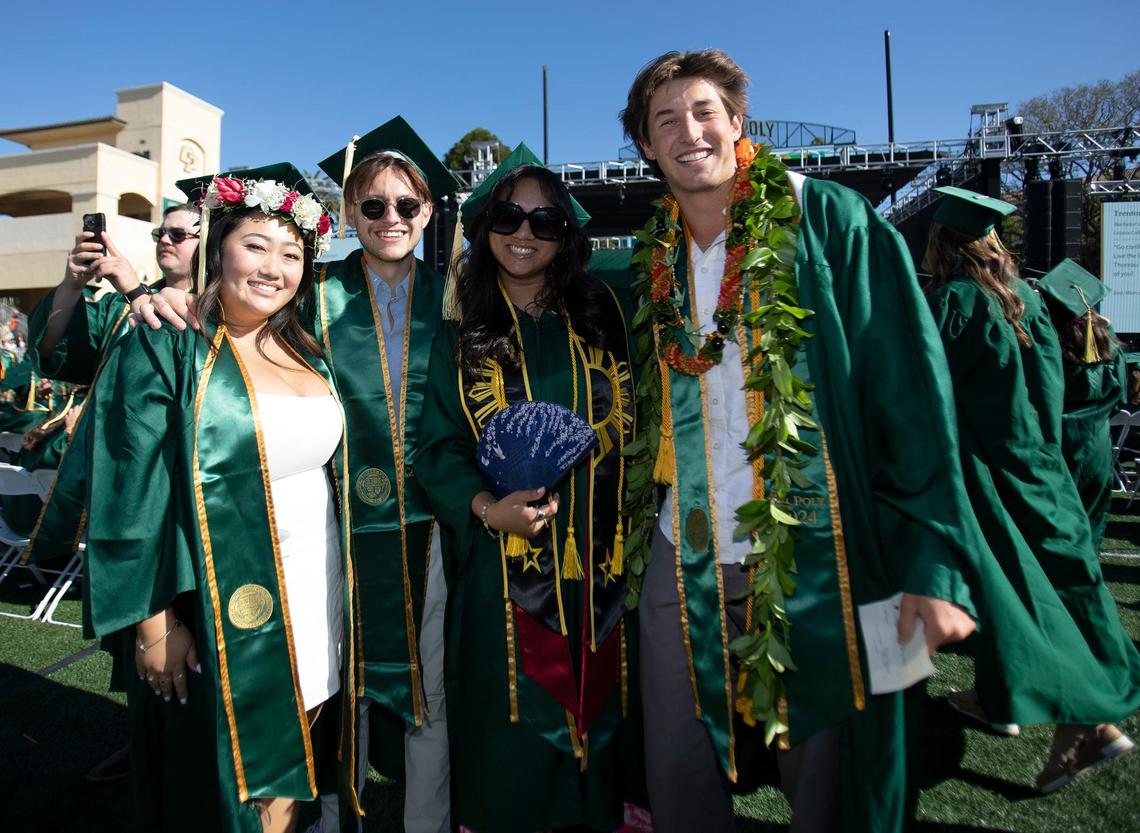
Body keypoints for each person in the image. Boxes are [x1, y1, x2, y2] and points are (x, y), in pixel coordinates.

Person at [618, 50, 979, 832]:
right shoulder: (654, 259)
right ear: (645, 146)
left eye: (705, 111)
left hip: (833, 545)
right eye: (665, 120)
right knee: (676, 762)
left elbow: (911, 395)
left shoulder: (829, 220)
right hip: (687, 545)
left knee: (841, 768)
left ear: (738, 121)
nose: (689, 132)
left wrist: (936, 565)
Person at [141, 117, 460, 833]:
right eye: (372, 205)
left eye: (406, 205)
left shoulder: (456, 300)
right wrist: (161, 296)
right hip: (335, 526)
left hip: (429, 528)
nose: (389, 218)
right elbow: (227, 326)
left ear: (429, 212)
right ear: (349, 212)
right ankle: (324, 815)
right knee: (330, 683)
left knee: (427, 688)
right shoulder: (312, 294)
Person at [84, 163, 361, 833]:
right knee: (228, 793)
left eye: (291, 253)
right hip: (212, 606)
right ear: (218, 248)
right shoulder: (168, 341)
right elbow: (125, 488)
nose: (274, 267)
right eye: (255, 246)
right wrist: (153, 623)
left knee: (296, 775)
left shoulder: (307, 351)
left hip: (314, 602)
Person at [415, 145, 635, 833]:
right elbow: (438, 450)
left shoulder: (607, 313)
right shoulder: (460, 338)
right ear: (484, 228)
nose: (525, 232)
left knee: (597, 736)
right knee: (507, 746)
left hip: (602, 570)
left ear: (568, 237)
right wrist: (485, 508)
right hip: (500, 577)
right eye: (509, 215)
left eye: (546, 221)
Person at [923, 191, 1139, 793]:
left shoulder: (956, 303)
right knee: (1064, 586)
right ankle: (1003, 699)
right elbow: (1052, 397)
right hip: (1041, 466)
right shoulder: (1029, 303)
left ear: (942, 243)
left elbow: (924, 388)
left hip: (986, 472)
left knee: (1020, 597)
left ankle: (1087, 724)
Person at [23, 201, 200, 562]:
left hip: (180, 465)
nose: (165, 239)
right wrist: (72, 286)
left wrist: (137, 291)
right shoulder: (117, 309)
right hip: (119, 460)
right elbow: (51, 348)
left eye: (178, 234)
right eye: (160, 233)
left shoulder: (222, 306)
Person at [1038, 259, 1128, 553]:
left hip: (1054, 443)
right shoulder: (1109, 348)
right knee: (1088, 529)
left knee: (1052, 528)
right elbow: (1121, 397)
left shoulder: (1044, 346)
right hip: (1096, 446)